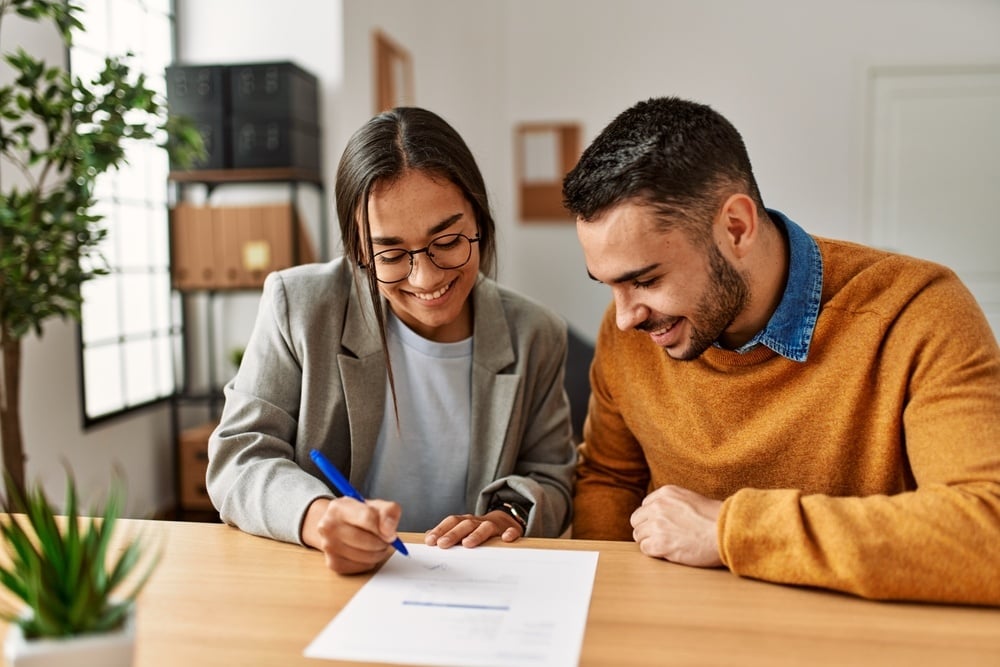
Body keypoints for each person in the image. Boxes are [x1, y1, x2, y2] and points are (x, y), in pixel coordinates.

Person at [562, 96, 1000, 605]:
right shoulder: (634, 332)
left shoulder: (915, 313)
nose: (622, 317)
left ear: (736, 228)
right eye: (607, 284)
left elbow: (987, 529)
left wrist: (732, 530)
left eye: (646, 279)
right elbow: (610, 479)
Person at [207, 107, 575, 575]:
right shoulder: (299, 306)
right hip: (331, 581)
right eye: (393, 254)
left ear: (479, 219)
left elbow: (553, 477)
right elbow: (238, 457)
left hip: (473, 583)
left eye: (447, 242)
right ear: (360, 251)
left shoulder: (535, 333)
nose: (426, 278)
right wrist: (319, 519)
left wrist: (509, 516)